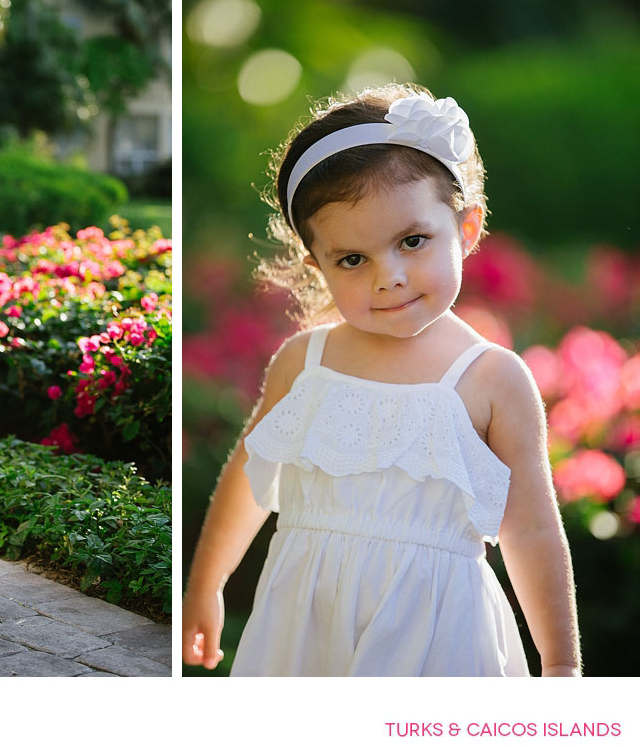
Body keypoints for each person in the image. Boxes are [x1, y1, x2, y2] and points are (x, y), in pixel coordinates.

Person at [182, 83, 581, 676]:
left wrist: (561, 665)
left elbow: (530, 529)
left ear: (466, 227)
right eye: (352, 260)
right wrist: (206, 584)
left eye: (412, 241)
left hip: (434, 630)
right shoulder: (304, 363)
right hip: (306, 621)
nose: (388, 277)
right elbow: (250, 478)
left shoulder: (493, 378)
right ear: (318, 264)